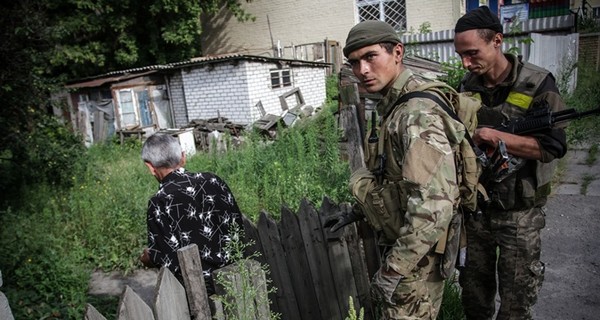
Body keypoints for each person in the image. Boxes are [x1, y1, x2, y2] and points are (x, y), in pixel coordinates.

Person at [329, 20, 465, 319]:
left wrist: (394, 269)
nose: (361, 70)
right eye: (354, 62)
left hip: (416, 262)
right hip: (411, 253)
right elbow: (396, 182)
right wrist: (357, 210)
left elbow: (434, 205)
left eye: (370, 57)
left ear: (397, 53)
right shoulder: (395, 106)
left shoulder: (416, 114)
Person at [453, 6, 568, 320]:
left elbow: (554, 146)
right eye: (460, 55)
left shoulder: (538, 83)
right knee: (474, 302)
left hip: (519, 214)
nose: (466, 62)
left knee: (516, 306)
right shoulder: (468, 86)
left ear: (497, 41)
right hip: (476, 211)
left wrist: (496, 137)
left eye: (472, 53)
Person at [139, 133, 243, 295]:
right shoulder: (214, 181)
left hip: (199, 290)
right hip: (236, 278)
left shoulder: (160, 201)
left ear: (150, 167)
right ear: (183, 158)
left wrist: (149, 258)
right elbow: (238, 226)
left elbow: (167, 259)